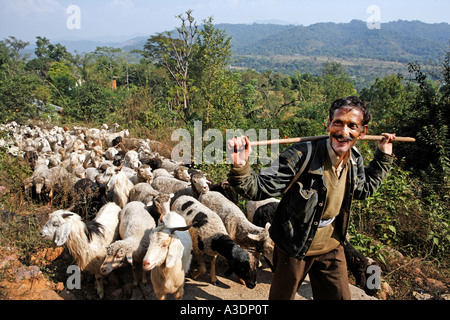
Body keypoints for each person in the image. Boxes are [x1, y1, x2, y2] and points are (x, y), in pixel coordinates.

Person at [226, 96, 395, 300]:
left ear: (363, 131)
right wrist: (240, 166)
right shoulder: (298, 156)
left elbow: (363, 189)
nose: (343, 132)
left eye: (352, 126)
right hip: (294, 246)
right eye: (338, 123)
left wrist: (383, 156)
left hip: (332, 245)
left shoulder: (354, 158)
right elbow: (259, 188)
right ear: (328, 125)